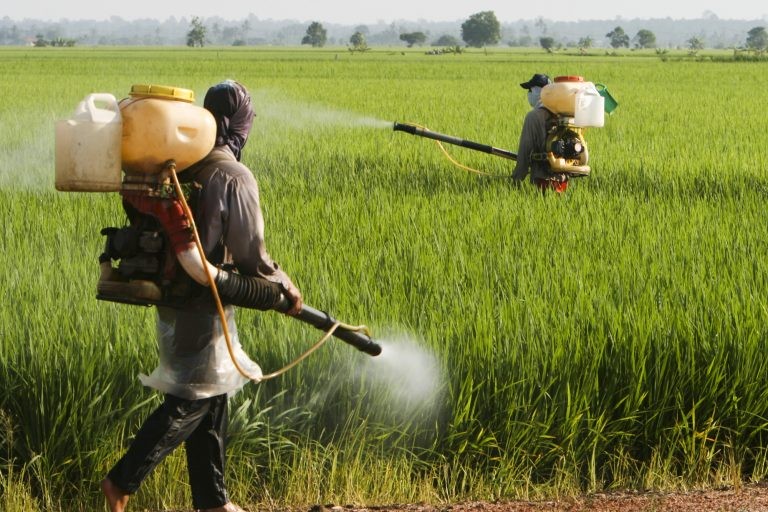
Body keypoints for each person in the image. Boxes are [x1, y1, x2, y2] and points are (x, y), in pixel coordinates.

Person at [101, 79, 303, 512]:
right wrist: (282, 287)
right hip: (200, 294)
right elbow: (252, 257)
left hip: (173, 294)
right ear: (240, 123)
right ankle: (122, 481)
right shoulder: (231, 174)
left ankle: (213, 502)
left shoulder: (180, 163)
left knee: (212, 389)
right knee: (193, 398)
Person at [512, 73, 569, 194]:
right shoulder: (561, 113)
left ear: (538, 92)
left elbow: (524, 151)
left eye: (530, 90)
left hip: (543, 179)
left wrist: (516, 178)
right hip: (563, 178)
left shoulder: (534, 116)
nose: (529, 94)